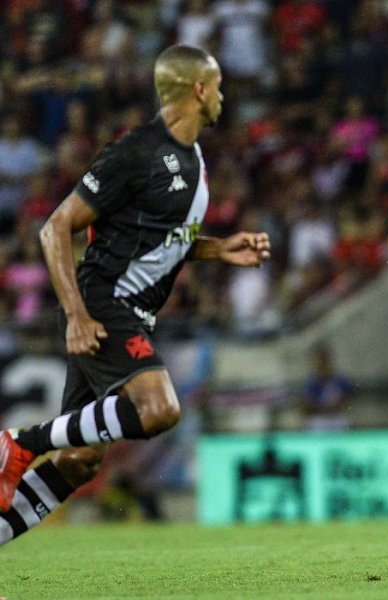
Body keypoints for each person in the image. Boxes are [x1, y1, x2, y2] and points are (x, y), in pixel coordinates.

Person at [0, 44, 270, 544]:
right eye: (218, 87)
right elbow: (55, 227)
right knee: (159, 409)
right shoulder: (135, 152)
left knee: (80, 459)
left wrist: (220, 250)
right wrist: (77, 315)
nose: (223, 97)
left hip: (130, 311)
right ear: (198, 89)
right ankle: (19, 443)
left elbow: (160, 241)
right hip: (105, 304)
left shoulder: (194, 160)